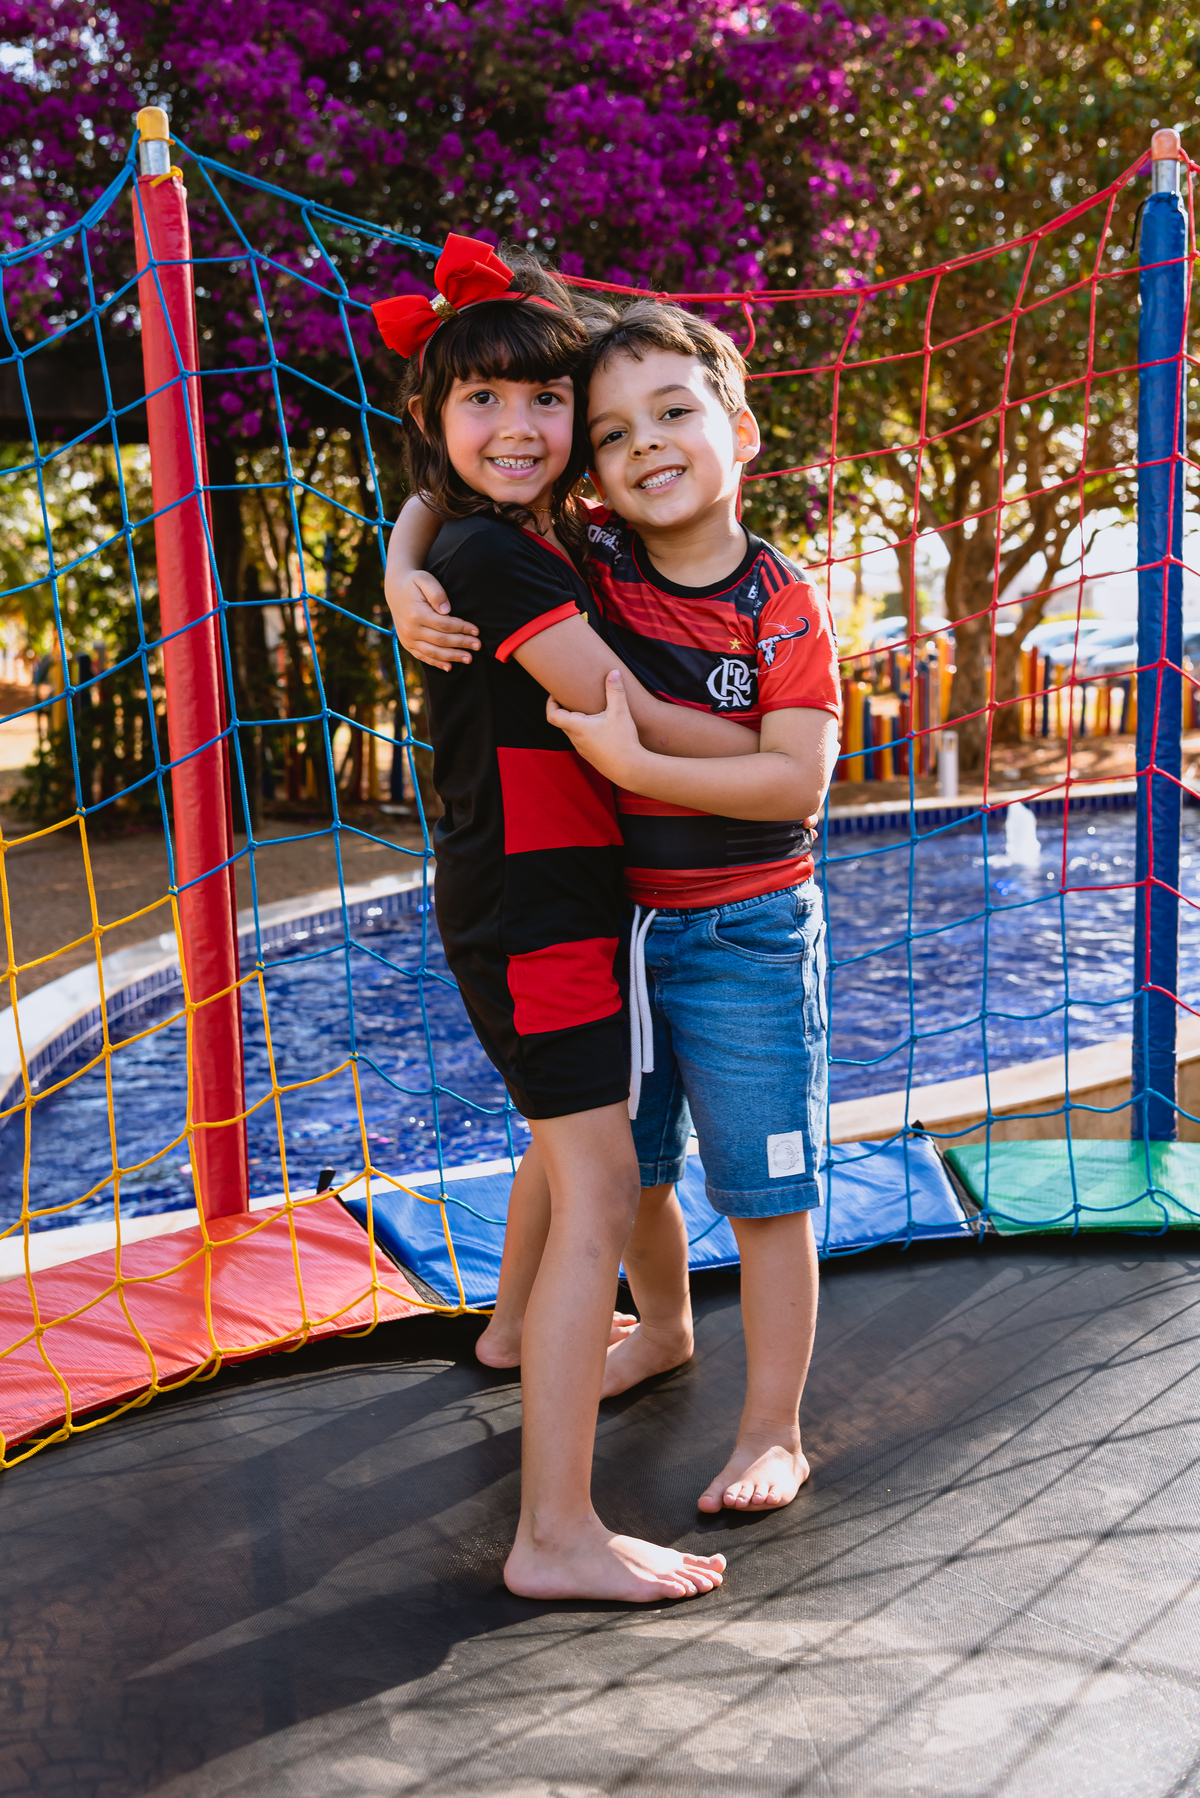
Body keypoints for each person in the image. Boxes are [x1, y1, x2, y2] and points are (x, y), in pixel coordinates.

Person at [390, 296, 841, 1518]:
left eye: (673, 414)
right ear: (592, 471)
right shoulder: (593, 556)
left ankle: (773, 1426)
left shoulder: (785, 606)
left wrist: (644, 767)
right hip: (628, 924)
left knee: (767, 1190)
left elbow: (797, 779)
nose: (642, 445)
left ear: (739, 430)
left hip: (746, 928)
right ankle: (664, 1332)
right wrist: (395, 562)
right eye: (612, 432)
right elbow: (457, 491)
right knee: (637, 1173)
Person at [373, 235, 742, 1602]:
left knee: (561, 1136)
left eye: (545, 403)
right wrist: (783, 741)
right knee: (597, 1181)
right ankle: (555, 1533)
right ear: (436, 419)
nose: (518, 426)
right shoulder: (505, 560)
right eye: (483, 402)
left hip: (535, 898)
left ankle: (512, 1335)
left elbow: (432, 519)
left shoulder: (504, 538)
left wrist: (401, 551)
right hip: (540, 912)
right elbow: (622, 713)